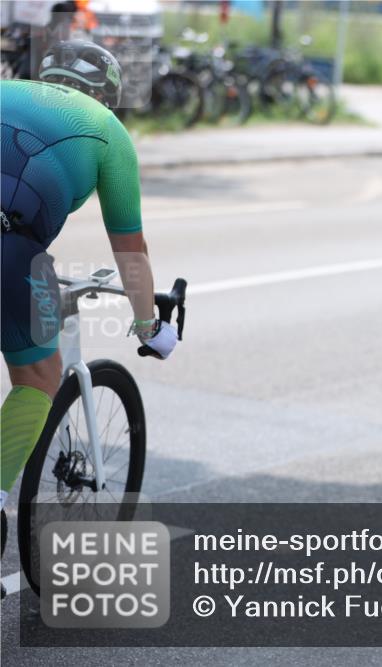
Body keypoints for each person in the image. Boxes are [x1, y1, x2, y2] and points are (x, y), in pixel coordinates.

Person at [0, 41, 178, 569]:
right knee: (39, 375)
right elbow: (131, 249)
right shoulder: (107, 129)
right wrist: (150, 326)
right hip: (12, 246)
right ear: (108, 96)